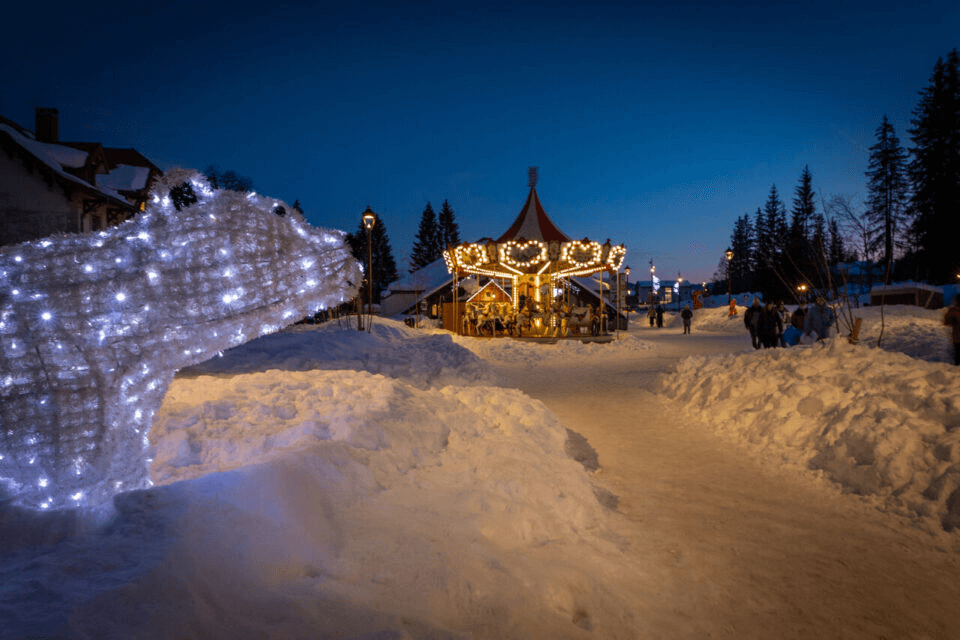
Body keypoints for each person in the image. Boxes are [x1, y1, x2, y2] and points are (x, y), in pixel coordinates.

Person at [945, 294, 960, 365]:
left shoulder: (953, 310)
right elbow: (947, 322)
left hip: (957, 338)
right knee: (957, 356)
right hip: (957, 338)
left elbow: (947, 322)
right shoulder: (953, 310)